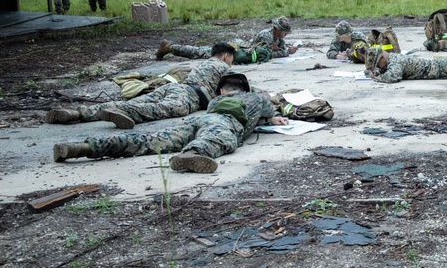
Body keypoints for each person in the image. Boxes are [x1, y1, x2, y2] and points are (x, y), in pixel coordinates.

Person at [53, 74, 288, 173]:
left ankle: (85, 147)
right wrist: (271, 116)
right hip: (224, 123)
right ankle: (193, 153)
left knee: (146, 141)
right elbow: (269, 109)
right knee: (219, 139)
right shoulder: (255, 97)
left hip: (196, 120)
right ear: (246, 89)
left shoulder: (217, 98)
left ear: (223, 89)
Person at [46, 43, 236, 128]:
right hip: (189, 95)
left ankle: (78, 113)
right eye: (231, 60)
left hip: (173, 87)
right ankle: (127, 113)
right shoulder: (222, 66)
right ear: (226, 56)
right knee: (160, 109)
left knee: (143, 100)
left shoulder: (204, 62)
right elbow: (237, 89)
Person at [156, 16, 298, 61]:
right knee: (202, 52)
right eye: (284, 32)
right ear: (277, 30)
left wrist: (285, 49)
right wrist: (285, 52)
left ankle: (170, 48)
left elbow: (279, 48)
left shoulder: (276, 37)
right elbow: (268, 55)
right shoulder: (266, 35)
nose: (285, 35)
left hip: (239, 49)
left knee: (203, 52)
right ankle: (170, 48)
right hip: (236, 49)